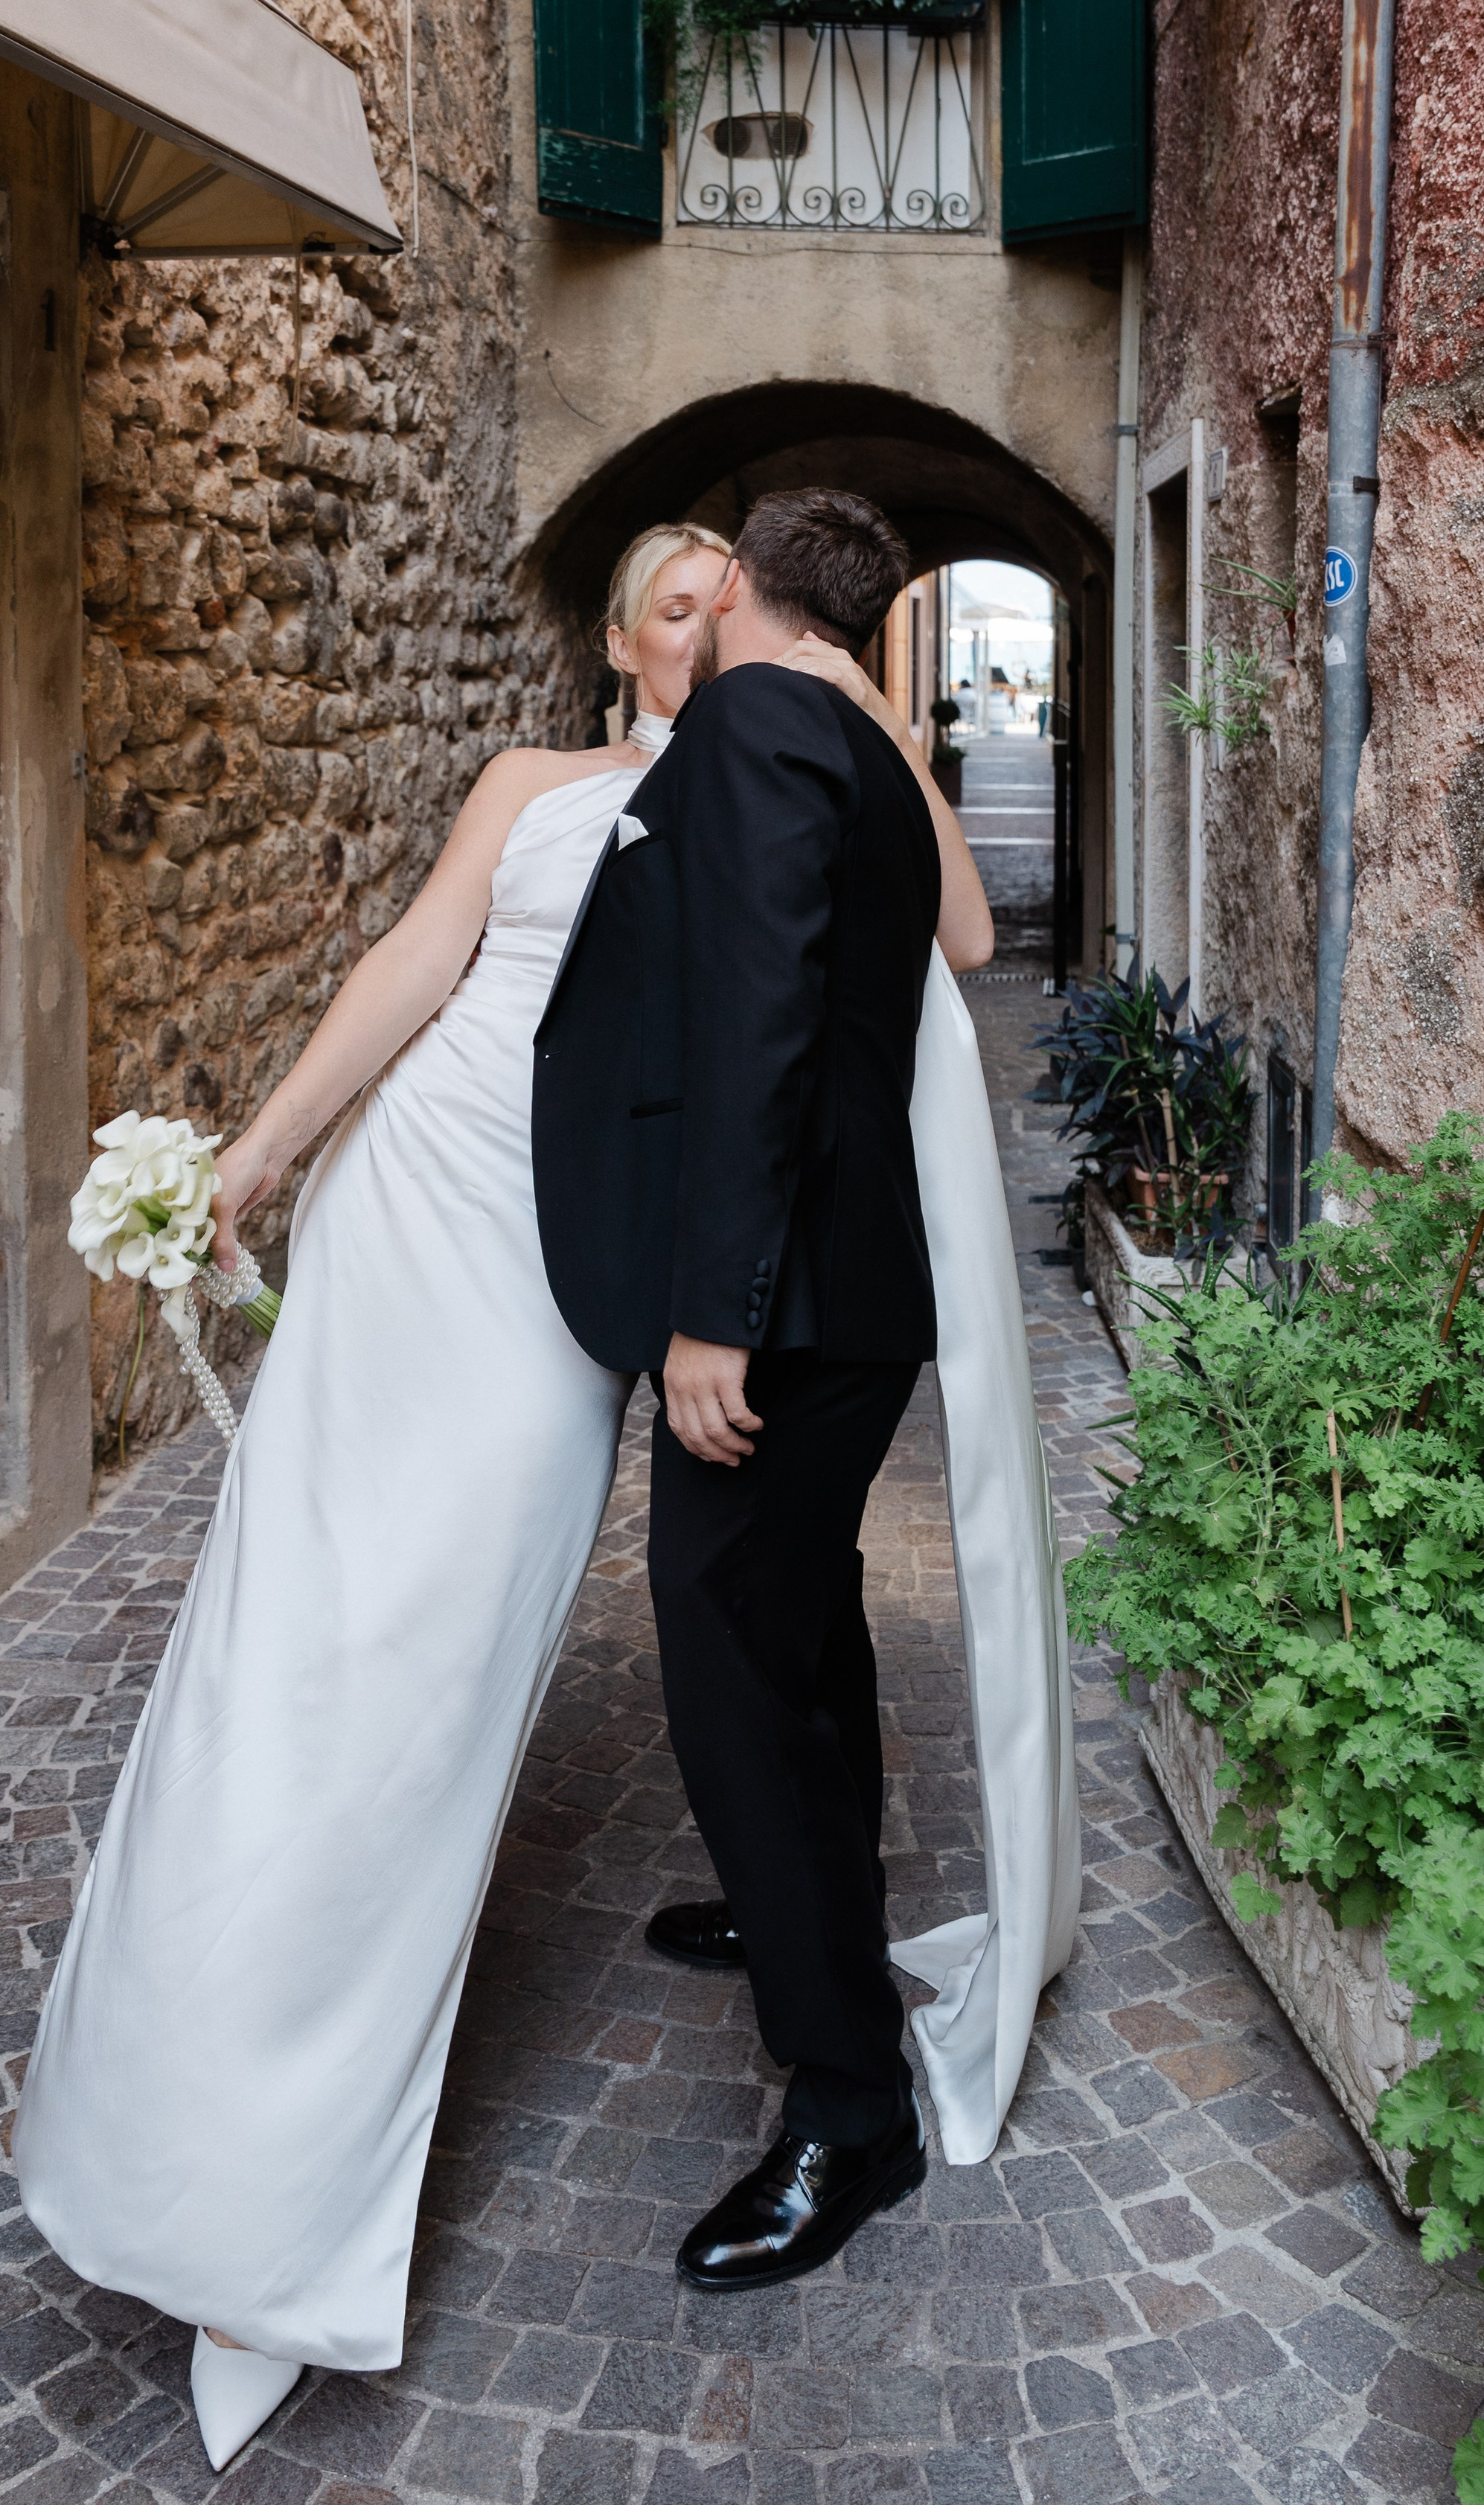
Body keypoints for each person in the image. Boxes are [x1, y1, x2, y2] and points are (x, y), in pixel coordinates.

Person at [11, 522, 732, 2467]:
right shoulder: (530, 785)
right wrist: (251, 1166)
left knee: (425, 1716)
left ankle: (296, 2214)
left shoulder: (779, 803)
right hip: (407, 1224)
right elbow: (412, 968)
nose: (713, 614)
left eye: (740, 592)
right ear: (614, 642)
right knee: (284, 1675)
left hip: (556, 1306)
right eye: (679, 593)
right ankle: (188, 2171)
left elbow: (955, 950)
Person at [532, 487, 1066, 2288]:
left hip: (785, 1300)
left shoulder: (764, 716)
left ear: (751, 592)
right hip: (845, 1289)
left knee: (725, 1659)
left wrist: (712, 1316)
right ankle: (794, 1910)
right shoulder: (844, 730)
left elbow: (763, 1010)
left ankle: (848, 2112)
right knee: (797, 1615)